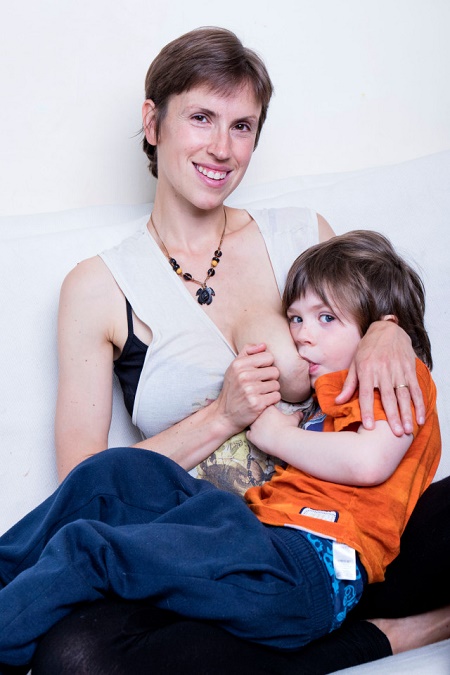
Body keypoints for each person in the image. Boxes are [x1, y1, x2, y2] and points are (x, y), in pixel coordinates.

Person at [24, 25, 448, 675]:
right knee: (75, 659)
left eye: (242, 126)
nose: (222, 148)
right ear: (152, 123)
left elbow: (392, 373)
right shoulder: (99, 286)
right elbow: (84, 484)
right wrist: (222, 416)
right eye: (201, 118)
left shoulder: (302, 234)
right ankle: (390, 634)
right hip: (218, 559)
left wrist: (390, 326)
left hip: (353, 536)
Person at [0, 230, 441, 669]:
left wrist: (277, 434)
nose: (303, 335)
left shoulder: (394, 376)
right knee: (117, 472)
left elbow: (369, 461)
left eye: (326, 318)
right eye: (296, 318)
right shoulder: (329, 395)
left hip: (309, 564)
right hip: (256, 536)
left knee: (91, 550)